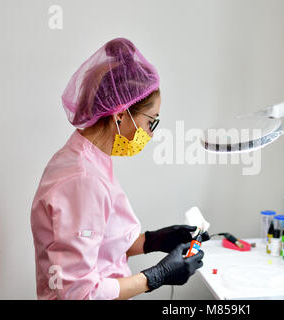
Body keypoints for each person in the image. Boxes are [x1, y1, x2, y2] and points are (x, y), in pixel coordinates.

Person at [30, 37, 208, 300]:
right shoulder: (83, 179)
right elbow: (79, 293)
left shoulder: (88, 159)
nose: (150, 133)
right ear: (121, 115)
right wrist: (156, 277)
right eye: (151, 121)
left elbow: (99, 245)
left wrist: (153, 241)